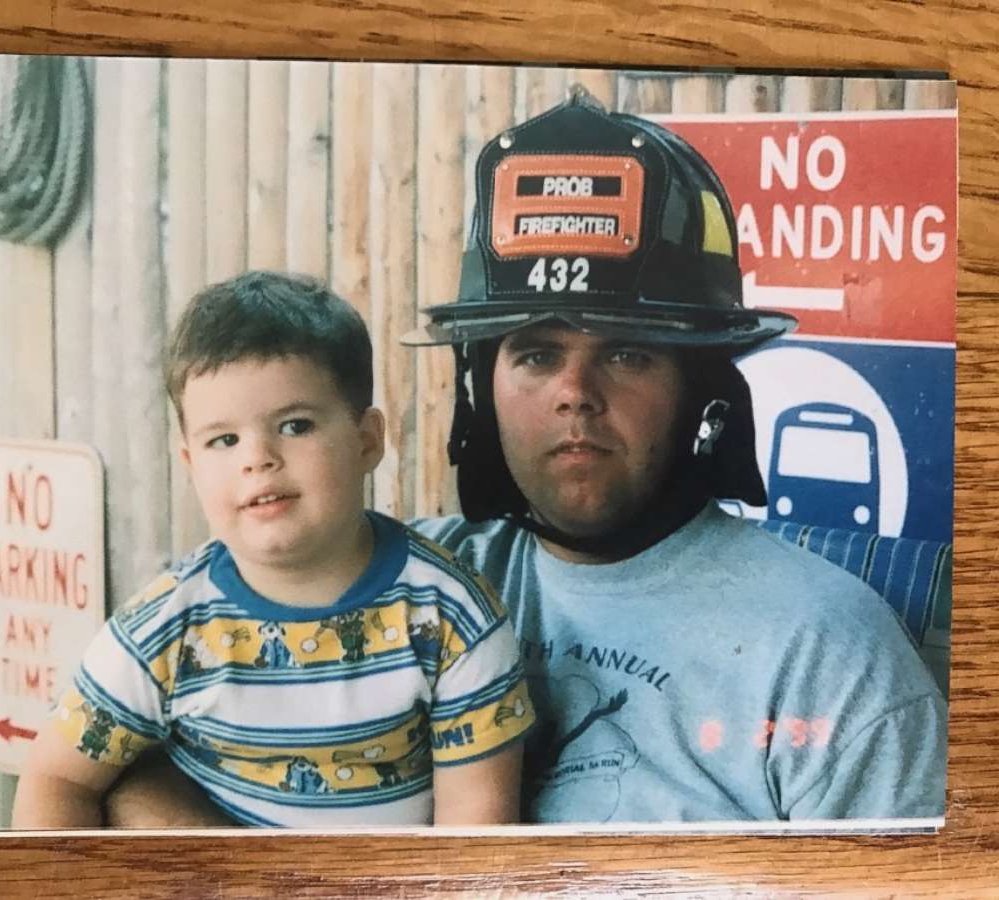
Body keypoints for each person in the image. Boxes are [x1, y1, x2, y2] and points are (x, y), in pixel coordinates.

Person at [103, 90, 947, 826]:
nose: (574, 393)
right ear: (481, 388)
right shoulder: (400, 590)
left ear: (703, 389)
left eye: (627, 354)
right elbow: (112, 760)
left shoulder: (827, 652)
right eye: (537, 355)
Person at [12, 272, 534, 828]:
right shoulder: (164, 627)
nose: (257, 458)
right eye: (224, 440)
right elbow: (56, 780)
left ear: (366, 441)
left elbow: (474, 843)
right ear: (191, 465)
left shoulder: (451, 616)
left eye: (294, 425)